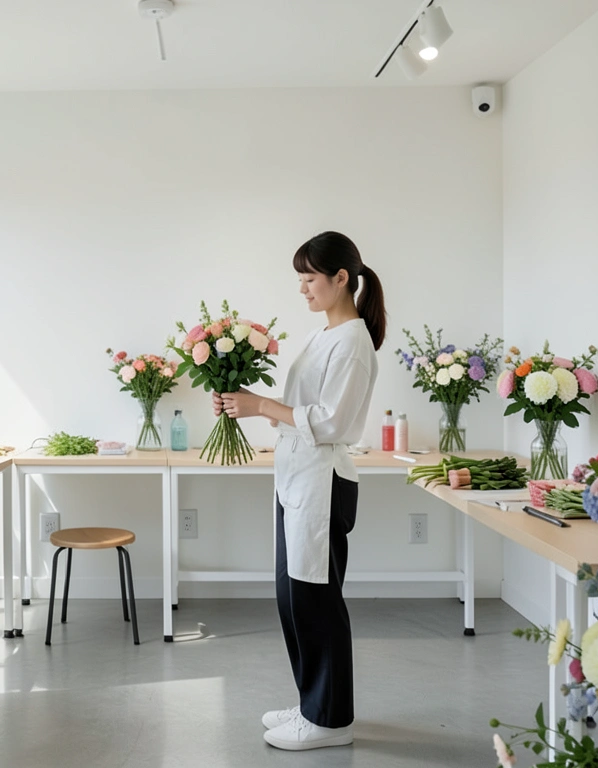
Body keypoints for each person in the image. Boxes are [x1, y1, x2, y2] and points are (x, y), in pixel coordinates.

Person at [216, 231, 385, 751]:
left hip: (322, 485)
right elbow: (304, 412)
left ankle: (331, 721)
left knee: (315, 601)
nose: (303, 288)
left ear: (341, 279)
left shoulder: (353, 342)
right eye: (299, 279)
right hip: (297, 481)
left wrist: (262, 406)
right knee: (293, 598)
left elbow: (332, 421)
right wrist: (252, 405)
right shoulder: (323, 336)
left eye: (310, 278)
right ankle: (314, 703)